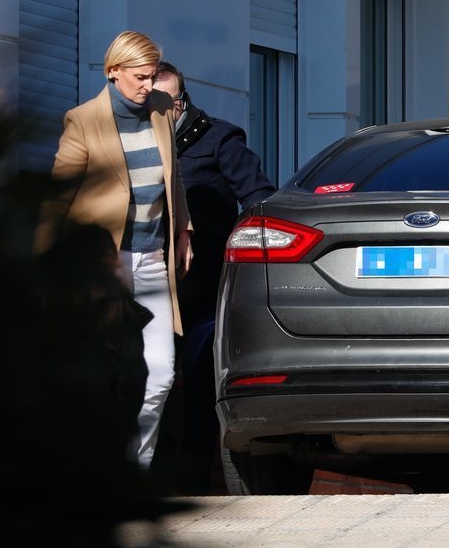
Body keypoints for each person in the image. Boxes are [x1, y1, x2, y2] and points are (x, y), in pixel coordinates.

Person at [35, 30, 193, 470]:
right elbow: (57, 199)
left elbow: (172, 173)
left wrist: (184, 232)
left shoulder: (161, 109)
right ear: (113, 73)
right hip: (107, 265)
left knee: (160, 374)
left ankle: (133, 475)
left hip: (152, 259)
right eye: (140, 78)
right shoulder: (83, 120)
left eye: (152, 77)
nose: (148, 86)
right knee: (111, 373)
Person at [153, 61, 275, 493]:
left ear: (181, 101)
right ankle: (155, 471)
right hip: (149, 281)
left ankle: (191, 474)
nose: (154, 108)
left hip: (204, 284)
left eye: (163, 100)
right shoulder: (132, 141)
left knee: (203, 377)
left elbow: (259, 199)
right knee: (153, 377)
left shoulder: (219, 138)